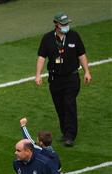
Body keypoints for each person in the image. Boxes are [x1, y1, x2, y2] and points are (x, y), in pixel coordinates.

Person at [36, 12, 92, 147]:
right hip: (55, 79)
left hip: (72, 78)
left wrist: (87, 72)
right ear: (56, 24)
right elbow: (41, 57)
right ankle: (65, 132)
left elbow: (82, 54)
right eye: (63, 24)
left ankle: (70, 135)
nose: (66, 26)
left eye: (67, 23)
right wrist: (38, 74)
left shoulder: (74, 36)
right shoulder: (47, 39)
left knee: (69, 103)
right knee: (60, 106)